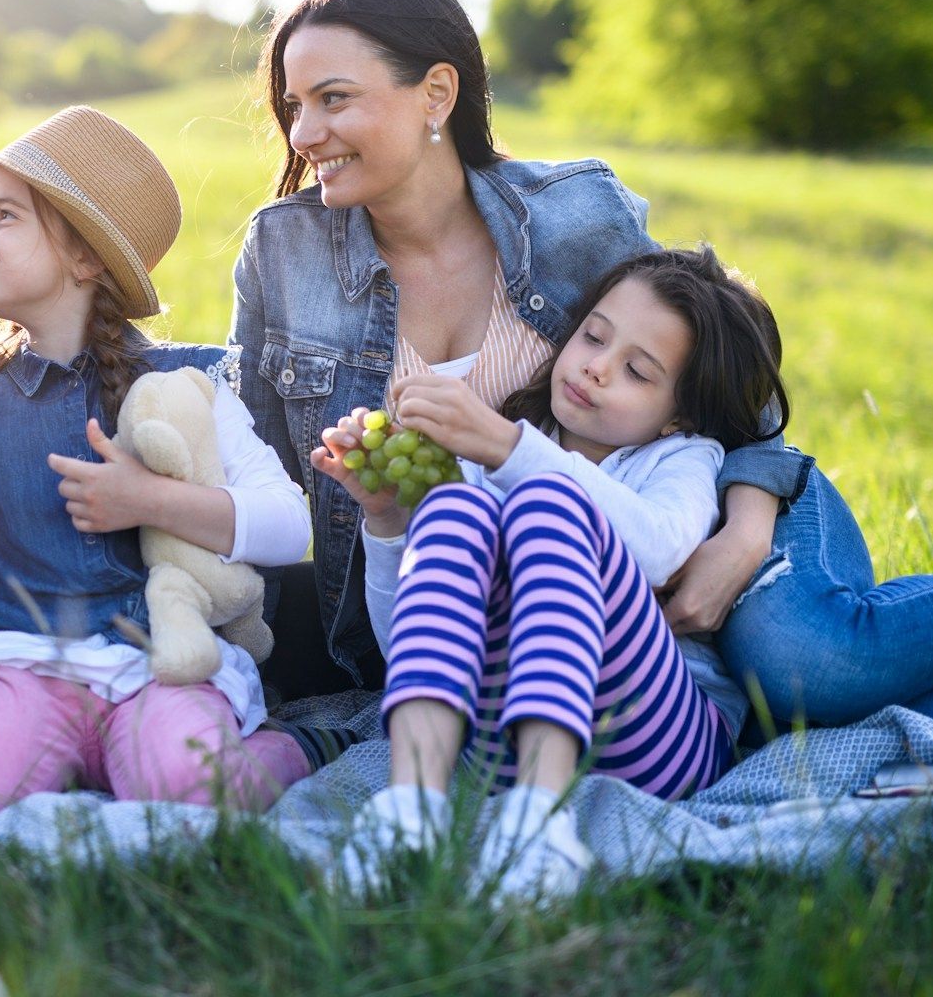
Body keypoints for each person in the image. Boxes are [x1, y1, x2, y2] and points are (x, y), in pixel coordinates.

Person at [233, 0, 933, 739]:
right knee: (785, 722)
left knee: (797, 666)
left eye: (334, 100)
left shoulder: (572, 218)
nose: (305, 134)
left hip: (695, 500)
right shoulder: (283, 253)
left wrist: (742, 536)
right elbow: (265, 478)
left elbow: (738, 401)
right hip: (561, 598)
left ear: (436, 92)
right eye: (294, 105)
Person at [0, 107, 323, 839]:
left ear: (85, 260)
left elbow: (288, 526)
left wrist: (153, 500)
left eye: (5, 216)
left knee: (191, 794)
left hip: (159, 666)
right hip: (27, 667)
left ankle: (309, 741)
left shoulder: (189, 384)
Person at [333, 246, 784, 901]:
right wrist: (387, 522)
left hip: (655, 742)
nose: (596, 368)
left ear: (681, 412)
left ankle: (539, 825)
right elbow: (405, 635)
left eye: (636, 371)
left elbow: (657, 550)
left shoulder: (682, 457)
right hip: (494, 746)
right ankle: (413, 807)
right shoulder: (509, 446)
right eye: (593, 337)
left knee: (547, 504)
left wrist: (506, 447)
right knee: (455, 504)